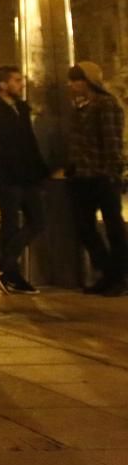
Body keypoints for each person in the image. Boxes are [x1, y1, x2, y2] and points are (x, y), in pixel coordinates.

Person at [0, 66, 49, 294]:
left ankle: (5, 259)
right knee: (10, 222)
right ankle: (11, 273)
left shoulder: (22, 108)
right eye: (16, 80)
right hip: (6, 174)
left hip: (27, 174)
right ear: (3, 84)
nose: (21, 84)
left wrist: (41, 170)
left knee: (38, 220)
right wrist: (2, 153)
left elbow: (30, 141)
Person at [65, 62, 126, 296]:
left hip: (102, 175)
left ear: (89, 81)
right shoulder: (79, 107)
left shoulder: (106, 105)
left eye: (76, 80)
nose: (71, 85)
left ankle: (118, 276)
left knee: (114, 227)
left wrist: (113, 172)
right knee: (83, 227)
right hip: (81, 175)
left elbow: (112, 142)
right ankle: (109, 271)